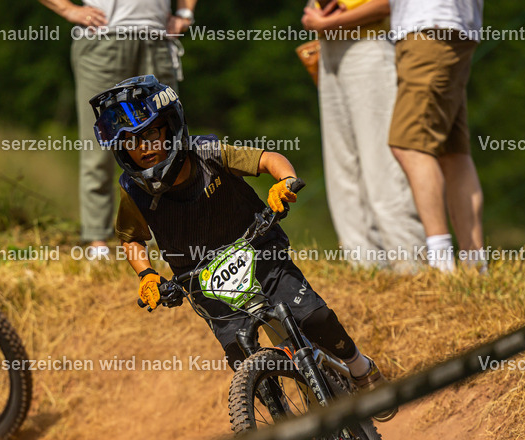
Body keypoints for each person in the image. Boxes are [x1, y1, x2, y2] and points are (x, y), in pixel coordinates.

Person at [91, 75, 395, 419]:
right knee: (243, 360)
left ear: (170, 126)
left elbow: (267, 159)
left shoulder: (209, 153)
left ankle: (359, 368)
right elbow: (131, 237)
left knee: (315, 316)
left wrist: (284, 183)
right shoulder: (133, 190)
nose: (143, 147)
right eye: (131, 141)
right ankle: (288, 429)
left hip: (262, 254)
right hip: (205, 285)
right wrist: (146, 275)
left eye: (149, 134)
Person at [39, 0, 196, 259]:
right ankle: (97, 239)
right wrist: (68, 9)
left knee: (168, 145)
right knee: (99, 143)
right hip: (103, 38)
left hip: (156, 38)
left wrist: (185, 12)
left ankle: (171, 240)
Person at [301, 0, 424, 270]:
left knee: (382, 163)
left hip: (368, 44)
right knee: (342, 165)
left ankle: (411, 266)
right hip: (329, 48)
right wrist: (315, 12)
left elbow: (386, 4)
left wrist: (325, 23)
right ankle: (365, 266)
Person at [387, 0, 485, 272]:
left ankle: (442, 265)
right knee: (453, 151)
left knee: (410, 146)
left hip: (430, 25)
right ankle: (475, 267)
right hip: (448, 25)